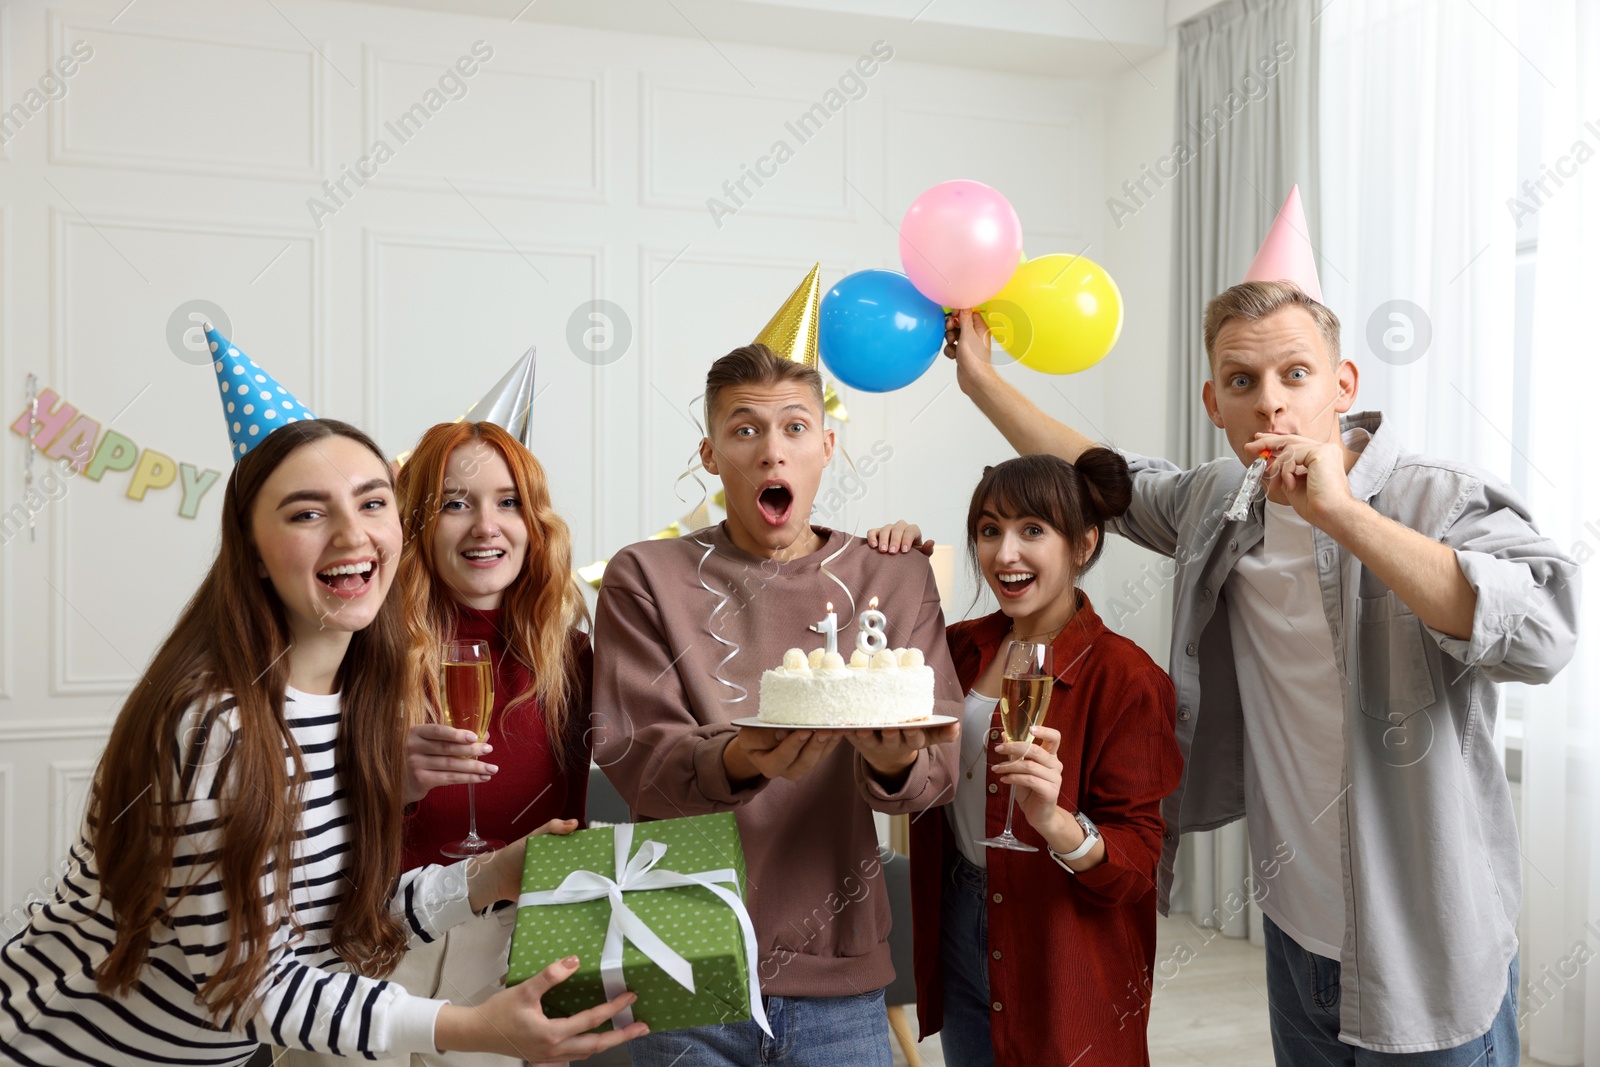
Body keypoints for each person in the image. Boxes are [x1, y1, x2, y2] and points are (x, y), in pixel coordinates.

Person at [942, 197, 1580, 1064]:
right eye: (1242, 382)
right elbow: (1101, 474)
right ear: (1213, 398)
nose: (1270, 405)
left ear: (1343, 384)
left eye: (1295, 376)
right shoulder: (1219, 501)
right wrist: (980, 380)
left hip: (1427, 954)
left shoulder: (1436, 497)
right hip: (1295, 934)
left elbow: (1543, 630)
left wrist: (1342, 515)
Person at [0, 347, 644, 1065]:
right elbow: (248, 987)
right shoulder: (220, 725)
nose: (351, 534)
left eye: (371, 502)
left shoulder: (354, 698)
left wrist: (491, 874)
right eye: (308, 511)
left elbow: (336, 917)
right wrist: (472, 1028)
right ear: (250, 550)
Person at [591, 343, 961, 1066]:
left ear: (827, 447)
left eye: (794, 428)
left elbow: (939, 756)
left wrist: (895, 768)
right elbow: (636, 756)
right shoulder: (646, 576)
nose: (771, 452)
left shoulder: (893, 574)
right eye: (744, 429)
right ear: (710, 452)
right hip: (685, 959)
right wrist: (736, 758)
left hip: (838, 970)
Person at [277, 420, 594, 1067]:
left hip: (507, 957)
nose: (486, 525)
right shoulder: (350, 646)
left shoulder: (571, 655)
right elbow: (277, 839)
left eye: (508, 501)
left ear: (534, 522)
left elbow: (580, 822)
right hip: (364, 952)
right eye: (456, 502)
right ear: (416, 521)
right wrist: (385, 788)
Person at [869, 451, 1183, 1066]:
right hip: (958, 913)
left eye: (1032, 530)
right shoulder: (955, 649)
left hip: (1062, 932)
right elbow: (871, 665)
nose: (1005, 554)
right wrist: (895, 565)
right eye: (990, 531)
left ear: (1084, 545)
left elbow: (1139, 865)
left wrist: (1058, 825)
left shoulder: (1128, 679)